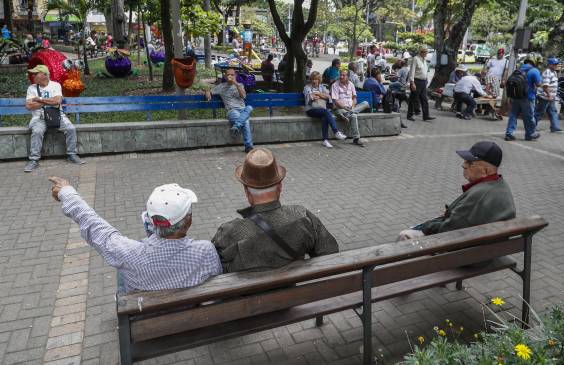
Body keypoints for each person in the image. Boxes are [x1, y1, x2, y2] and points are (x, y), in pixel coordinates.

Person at [48, 177, 222, 293]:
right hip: (190, 317)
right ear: (188, 221)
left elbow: (96, 227)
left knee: (122, 269)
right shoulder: (205, 250)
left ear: (151, 221)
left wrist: (67, 193)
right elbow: (215, 282)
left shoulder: (131, 254)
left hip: (145, 320)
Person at [212, 148, 339, 272]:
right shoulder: (302, 216)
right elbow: (329, 253)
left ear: (246, 191)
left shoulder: (229, 233)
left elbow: (214, 267)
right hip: (296, 292)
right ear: (280, 187)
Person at [398, 141, 515, 241]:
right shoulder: (501, 184)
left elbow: (448, 229)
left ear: (486, 171)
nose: (463, 165)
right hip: (489, 248)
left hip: (470, 255)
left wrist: (425, 227)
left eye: (470, 163)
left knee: (404, 235)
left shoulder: (479, 194)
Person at [24, 65, 83, 172]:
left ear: (44, 75)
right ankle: (34, 160)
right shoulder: (31, 88)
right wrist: (48, 102)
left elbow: (57, 102)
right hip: (39, 117)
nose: (33, 76)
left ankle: (72, 154)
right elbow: (29, 106)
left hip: (56, 115)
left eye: (35, 74)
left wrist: (39, 100)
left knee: (71, 129)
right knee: (37, 131)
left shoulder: (55, 85)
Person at [205, 68, 254, 153]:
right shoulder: (221, 86)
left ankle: (237, 126)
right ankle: (248, 146)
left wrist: (235, 83)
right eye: (228, 75)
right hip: (232, 110)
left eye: (232, 75)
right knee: (245, 122)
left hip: (243, 110)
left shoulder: (240, 85)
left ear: (236, 76)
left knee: (249, 107)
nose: (230, 76)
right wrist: (207, 92)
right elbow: (209, 90)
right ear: (225, 76)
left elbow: (243, 96)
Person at [304, 71, 347, 148]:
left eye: (316, 79)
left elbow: (328, 97)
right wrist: (318, 96)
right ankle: (336, 132)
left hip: (321, 110)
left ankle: (325, 140)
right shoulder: (307, 87)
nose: (314, 81)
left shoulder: (322, 87)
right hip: (311, 109)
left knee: (325, 117)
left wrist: (318, 94)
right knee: (326, 112)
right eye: (313, 79)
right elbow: (310, 97)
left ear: (319, 80)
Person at [505, 58, 541, 141]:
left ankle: (509, 134)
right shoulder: (534, 70)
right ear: (534, 62)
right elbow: (538, 84)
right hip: (528, 98)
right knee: (529, 117)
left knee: (513, 115)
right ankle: (530, 134)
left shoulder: (518, 69)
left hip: (515, 96)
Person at [331, 70, 370, 146]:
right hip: (341, 108)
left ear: (348, 77)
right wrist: (345, 107)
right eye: (340, 75)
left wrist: (352, 106)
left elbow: (354, 98)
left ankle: (350, 112)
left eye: (343, 75)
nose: (341, 77)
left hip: (351, 108)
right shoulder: (335, 85)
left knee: (366, 103)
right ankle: (356, 139)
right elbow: (335, 101)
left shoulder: (351, 84)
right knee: (354, 115)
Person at [407, 45, 435, 122]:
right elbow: (412, 72)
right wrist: (412, 83)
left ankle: (426, 115)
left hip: (423, 82)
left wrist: (426, 80)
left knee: (424, 99)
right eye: (425, 52)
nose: (426, 53)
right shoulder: (415, 59)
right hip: (416, 81)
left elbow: (425, 71)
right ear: (421, 52)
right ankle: (410, 115)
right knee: (413, 99)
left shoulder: (424, 59)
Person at [534, 58, 563, 132]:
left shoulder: (554, 72)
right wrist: (549, 95)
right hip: (545, 96)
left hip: (551, 97)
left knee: (553, 111)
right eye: (554, 64)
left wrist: (552, 96)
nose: (556, 66)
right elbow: (545, 86)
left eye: (556, 64)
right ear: (550, 65)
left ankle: (554, 126)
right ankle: (532, 125)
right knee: (540, 112)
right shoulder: (547, 72)